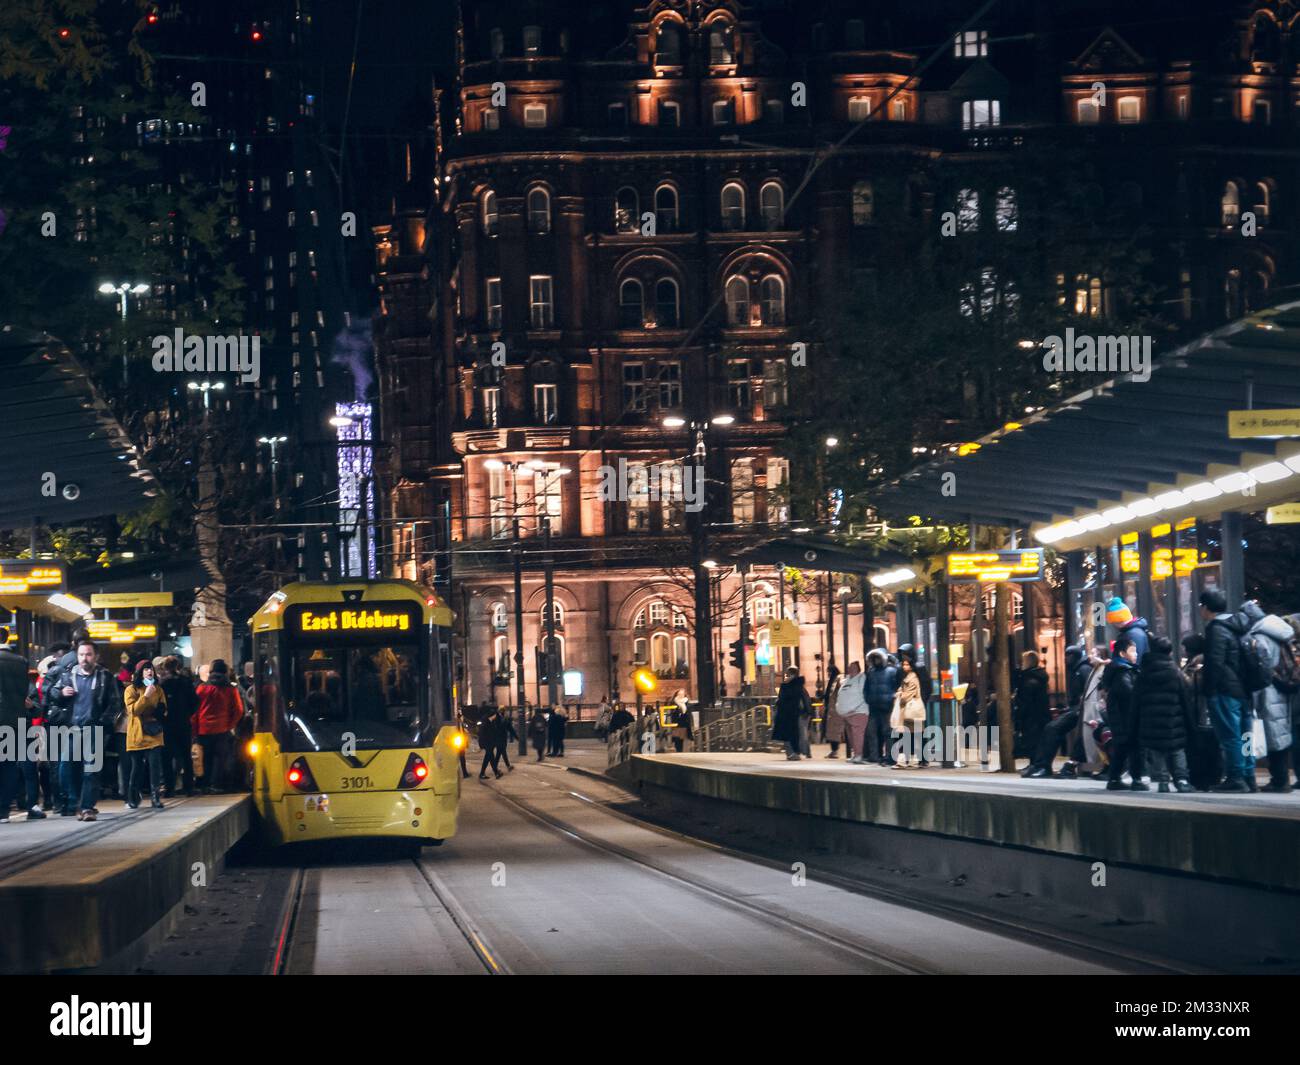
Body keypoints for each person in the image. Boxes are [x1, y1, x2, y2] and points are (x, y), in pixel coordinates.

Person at [46, 639, 119, 821]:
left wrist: (103, 722)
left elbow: (115, 703)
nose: (84, 658)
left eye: (88, 654)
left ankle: (86, 807)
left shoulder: (105, 677)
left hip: (94, 729)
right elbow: (52, 694)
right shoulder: (67, 675)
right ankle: (73, 801)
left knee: (90, 770)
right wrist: (61, 693)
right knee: (65, 767)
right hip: (72, 729)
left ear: (96, 656)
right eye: (81, 654)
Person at [1238, 600, 1295, 792]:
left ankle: (1279, 781)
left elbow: (1260, 665)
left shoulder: (1260, 636)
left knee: (1272, 735)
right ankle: (1281, 778)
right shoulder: (1278, 632)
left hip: (1266, 690)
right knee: (1280, 733)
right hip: (1280, 688)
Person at [1199, 590, 1253, 792]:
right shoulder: (1238, 625)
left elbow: (1215, 662)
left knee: (1230, 736)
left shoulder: (1216, 629)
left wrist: (1209, 690)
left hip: (1225, 690)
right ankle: (1249, 775)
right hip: (1244, 689)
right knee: (1245, 734)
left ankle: (1235, 777)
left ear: (1205, 608)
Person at [1133, 635, 1195, 793]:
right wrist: (1190, 721)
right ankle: (1181, 780)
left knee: (1156, 750)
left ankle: (1163, 781)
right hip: (1173, 720)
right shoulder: (1175, 672)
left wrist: (1134, 721)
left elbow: (1136, 699)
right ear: (1169, 652)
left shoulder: (1144, 672)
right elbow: (1185, 697)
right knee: (1177, 750)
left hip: (1151, 720)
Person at [1023, 644, 1091, 778]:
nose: (1065, 658)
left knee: (1052, 728)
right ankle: (1040, 764)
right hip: (1077, 709)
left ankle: (1043, 765)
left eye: (1068, 655)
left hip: (1081, 709)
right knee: (1051, 728)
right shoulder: (1076, 670)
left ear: (1074, 656)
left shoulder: (1083, 669)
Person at [0, 628, 43, 823]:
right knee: (10, 767)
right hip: (16, 724)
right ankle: (4, 811)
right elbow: (25, 694)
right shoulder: (20, 662)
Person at [193, 659, 243, 793]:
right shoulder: (231, 689)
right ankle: (218, 784)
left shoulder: (202, 688)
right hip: (222, 729)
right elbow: (238, 710)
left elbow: (194, 711)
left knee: (205, 758)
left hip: (203, 729)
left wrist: (194, 729)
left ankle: (204, 785)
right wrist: (230, 725)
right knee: (220, 759)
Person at [1102, 636, 1144, 791]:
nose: (1136, 654)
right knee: (1133, 747)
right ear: (1122, 654)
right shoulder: (1122, 672)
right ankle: (1136, 779)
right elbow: (1129, 693)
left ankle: (1114, 779)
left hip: (1121, 717)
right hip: (1125, 717)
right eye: (1132, 651)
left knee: (1122, 748)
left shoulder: (1121, 669)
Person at [124, 660, 168, 809]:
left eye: (151, 669)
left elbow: (164, 708)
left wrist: (158, 712)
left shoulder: (158, 689)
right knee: (137, 768)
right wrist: (146, 697)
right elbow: (133, 710)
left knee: (155, 766)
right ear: (140, 672)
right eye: (146, 669)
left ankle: (155, 797)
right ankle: (132, 796)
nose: (149, 672)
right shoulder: (131, 689)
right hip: (137, 734)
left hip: (154, 733)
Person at [157, 656, 196, 796]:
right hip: (183, 723)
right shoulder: (186, 682)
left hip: (167, 725)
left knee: (166, 757)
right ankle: (189, 787)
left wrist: (161, 717)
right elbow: (194, 702)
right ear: (177, 666)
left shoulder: (161, 684)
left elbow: (157, 704)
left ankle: (169, 787)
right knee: (186, 756)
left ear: (164, 668)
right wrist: (186, 714)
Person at [862, 649, 900, 766]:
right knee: (871, 732)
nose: (876, 661)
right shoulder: (871, 672)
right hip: (874, 707)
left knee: (887, 732)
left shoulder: (892, 671)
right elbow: (866, 688)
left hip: (887, 707)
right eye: (874, 659)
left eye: (877, 658)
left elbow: (897, 685)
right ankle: (874, 756)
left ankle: (889, 756)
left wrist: (892, 699)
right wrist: (868, 699)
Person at [1013, 650, 1050, 764]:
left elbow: (1025, 701)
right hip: (1039, 715)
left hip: (1031, 716)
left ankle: (1034, 764)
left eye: (1023, 661)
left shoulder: (1029, 680)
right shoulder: (1039, 677)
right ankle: (1034, 763)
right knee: (1036, 740)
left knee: (1032, 740)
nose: (1021, 664)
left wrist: (1019, 715)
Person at [891, 656, 926, 768]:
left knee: (906, 736)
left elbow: (908, 695)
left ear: (911, 666)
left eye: (907, 664)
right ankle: (910, 760)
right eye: (904, 664)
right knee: (908, 736)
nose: (905, 666)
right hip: (907, 712)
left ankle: (906, 761)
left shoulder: (912, 678)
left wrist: (899, 694)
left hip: (909, 711)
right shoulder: (908, 677)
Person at [771, 667, 812, 760]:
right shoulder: (795, 686)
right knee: (795, 734)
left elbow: (802, 700)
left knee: (794, 734)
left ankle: (794, 752)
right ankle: (796, 752)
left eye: (788, 675)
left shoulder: (792, 687)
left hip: (792, 714)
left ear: (793, 675)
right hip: (792, 714)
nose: (786, 677)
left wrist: (806, 712)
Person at [834, 662, 870, 764]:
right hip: (846, 714)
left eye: (853, 667)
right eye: (849, 667)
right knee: (851, 736)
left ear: (858, 669)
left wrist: (855, 706)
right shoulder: (846, 680)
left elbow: (864, 694)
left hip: (859, 711)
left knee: (857, 734)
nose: (850, 669)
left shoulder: (861, 678)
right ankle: (855, 754)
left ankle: (859, 754)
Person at [1105, 597, 1150, 664]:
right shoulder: (1132, 632)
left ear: (1116, 620)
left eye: (1112, 622)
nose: (1112, 624)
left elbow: (1134, 663)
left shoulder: (1132, 635)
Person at [822, 665, 845, 757]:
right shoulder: (832, 681)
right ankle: (833, 750)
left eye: (829, 672)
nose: (828, 674)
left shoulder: (837, 680)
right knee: (831, 730)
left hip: (835, 709)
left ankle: (835, 750)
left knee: (835, 730)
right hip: (830, 708)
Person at [477, 708, 505, 779]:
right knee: (491, 758)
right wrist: (482, 745)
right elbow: (482, 734)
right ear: (492, 715)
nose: (495, 717)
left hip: (490, 743)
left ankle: (482, 773)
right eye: (495, 715)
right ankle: (496, 773)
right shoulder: (485, 722)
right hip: (486, 743)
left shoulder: (491, 721)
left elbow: (493, 732)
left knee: (487, 758)